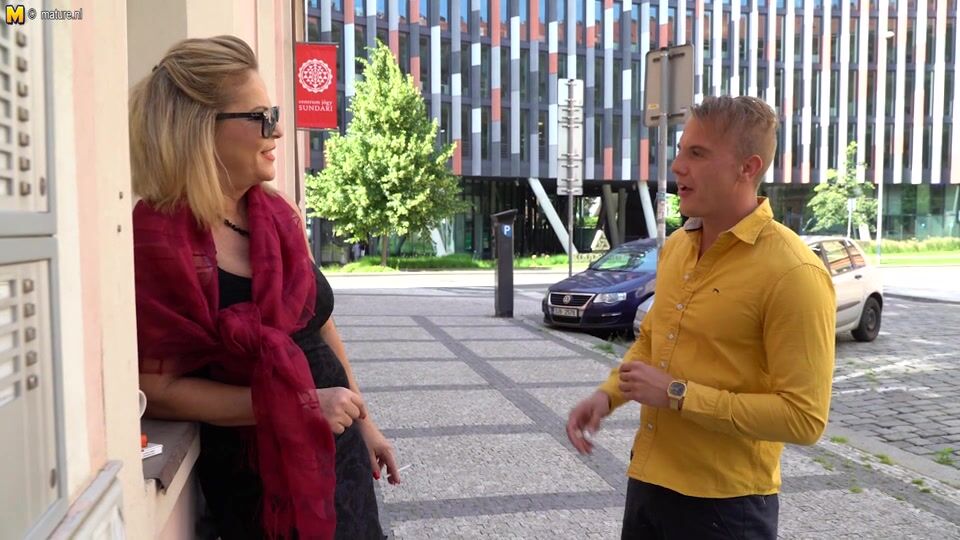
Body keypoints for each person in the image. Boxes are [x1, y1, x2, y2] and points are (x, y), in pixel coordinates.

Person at [130, 36, 398, 539]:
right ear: (199, 129)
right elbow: (158, 390)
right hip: (260, 473)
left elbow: (320, 327)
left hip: (334, 448)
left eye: (273, 114)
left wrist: (365, 422)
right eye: (260, 117)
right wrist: (299, 405)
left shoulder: (275, 214)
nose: (276, 130)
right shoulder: (158, 238)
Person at [566, 96, 836, 539]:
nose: (677, 166)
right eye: (680, 150)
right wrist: (608, 396)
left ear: (747, 168)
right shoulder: (677, 247)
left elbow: (803, 418)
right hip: (648, 483)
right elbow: (652, 341)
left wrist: (677, 394)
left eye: (697, 153)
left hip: (726, 508)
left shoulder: (794, 272)